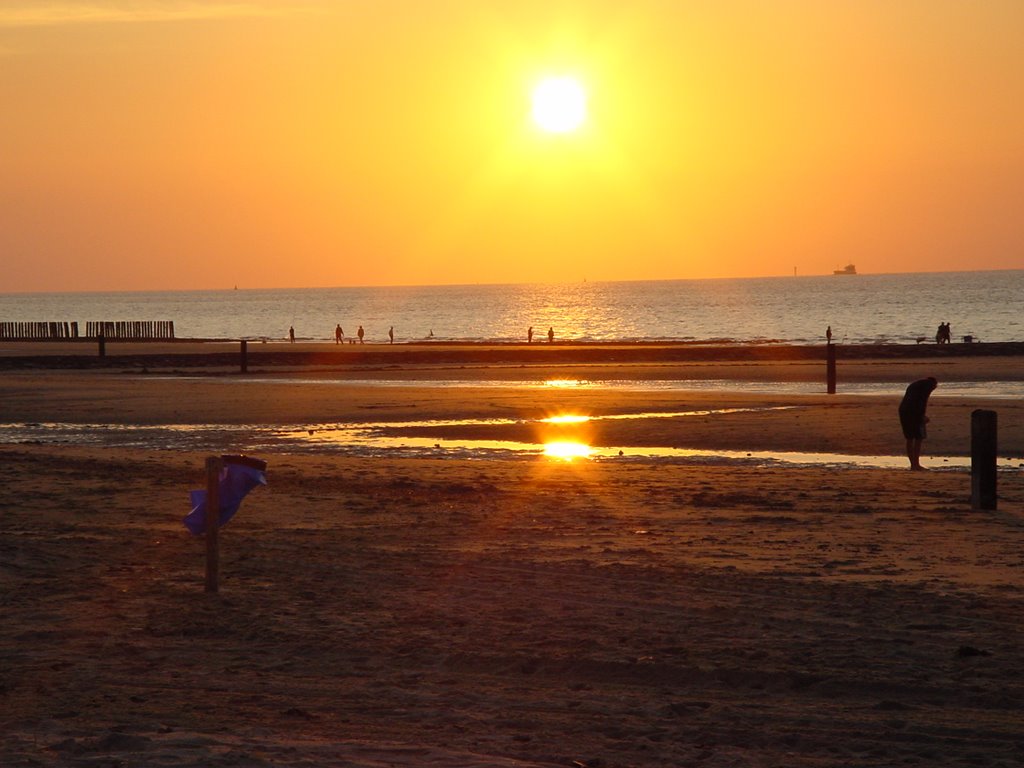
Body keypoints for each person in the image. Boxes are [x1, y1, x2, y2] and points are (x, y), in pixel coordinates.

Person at [898, 377, 937, 471]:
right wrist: (922, 416)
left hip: (904, 411)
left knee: (910, 438)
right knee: (919, 437)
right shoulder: (927, 386)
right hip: (913, 412)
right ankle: (916, 464)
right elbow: (922, 402)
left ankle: (913, 464)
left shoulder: (916, 384)